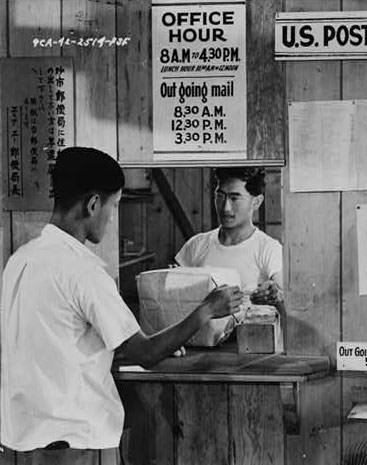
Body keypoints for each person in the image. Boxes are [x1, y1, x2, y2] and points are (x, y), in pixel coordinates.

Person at [0, 147, 242, 464]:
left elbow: (60, 338)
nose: (112, 217)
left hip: (19, 441)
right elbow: (146, 353)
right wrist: (207, 310)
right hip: (77, 443)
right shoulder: (83, 270)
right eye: (113, 205)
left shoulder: (20, 260)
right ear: (92, 204)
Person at [175, 167, 283, 306]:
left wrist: (274, 294)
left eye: (234, 198)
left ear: (256, 202)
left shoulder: (269, 249)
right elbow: (172, 294)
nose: (225, 207)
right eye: (220, 196)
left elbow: (285, 295)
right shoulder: (197, 245)